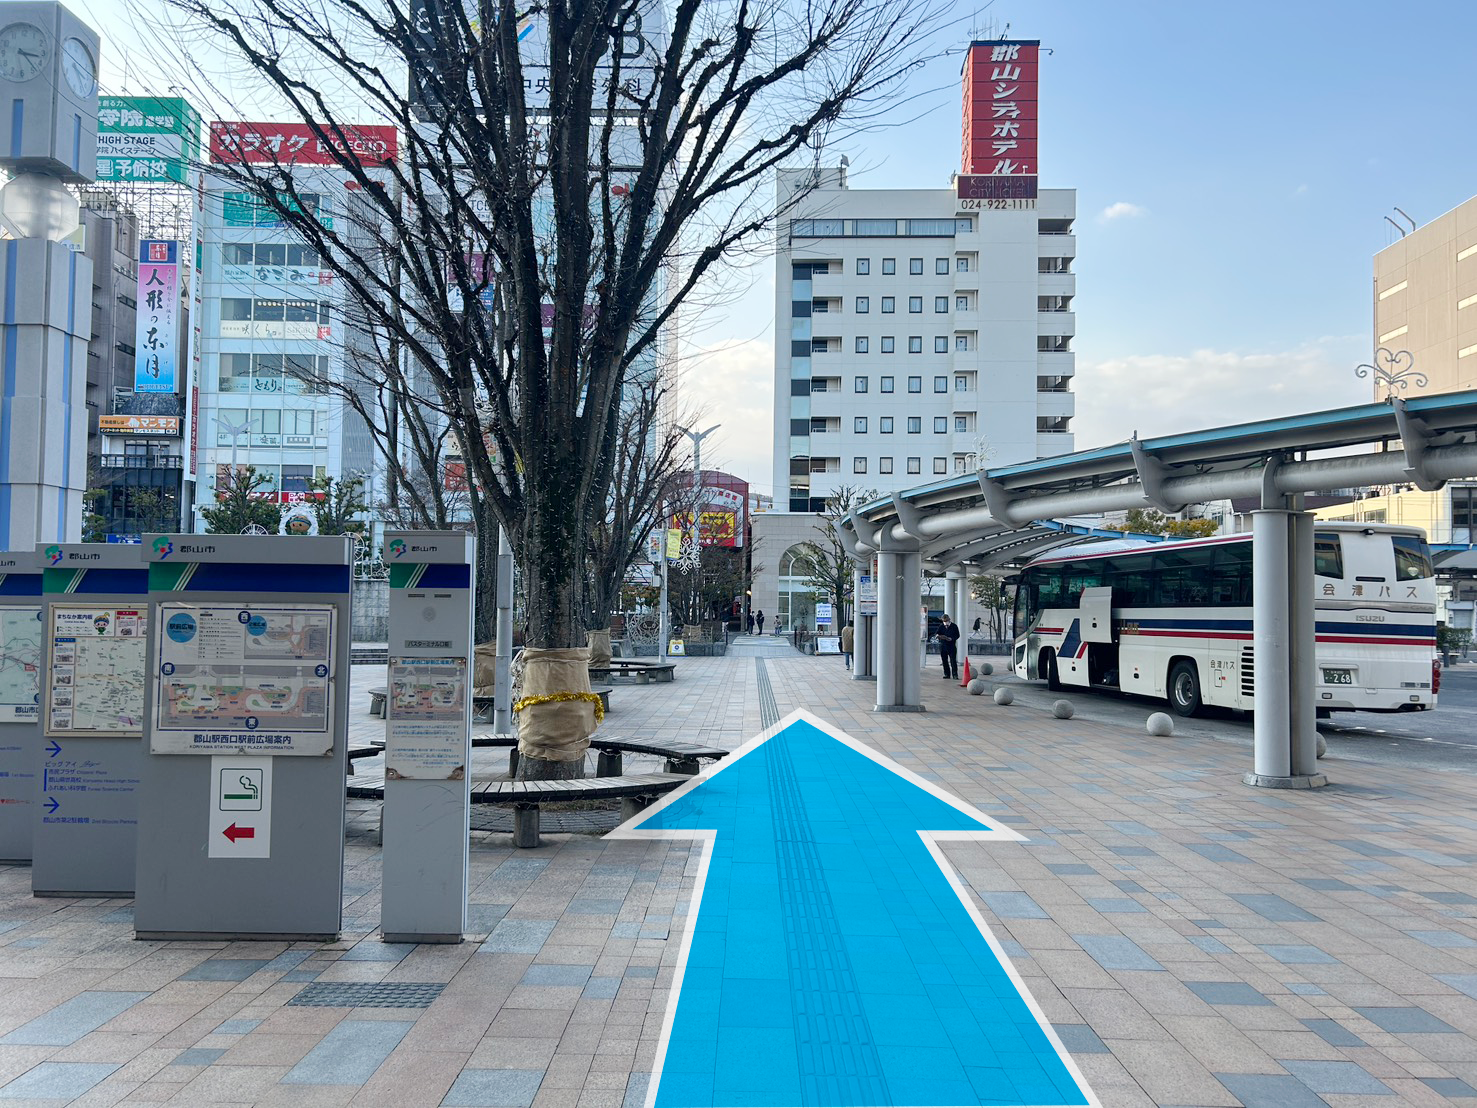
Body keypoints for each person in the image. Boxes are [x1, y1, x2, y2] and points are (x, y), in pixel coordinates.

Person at [937, 613, 961, 680]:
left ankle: (955, 674)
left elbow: (957, 635)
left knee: (953, 661)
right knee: (944, 661)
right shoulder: (941, 626)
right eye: (944, 621)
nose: (945, 622)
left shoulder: (954, 626)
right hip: (943, 646)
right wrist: (939, 636)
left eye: (946, 621)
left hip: (951, 646)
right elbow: (937, 633)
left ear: (949, 619)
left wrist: (951, 638)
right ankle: (947, 674)